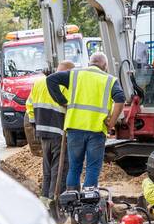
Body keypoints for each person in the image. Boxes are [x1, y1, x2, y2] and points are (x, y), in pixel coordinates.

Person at [46, 52, 125, 190]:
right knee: (92, 167)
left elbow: (51, 79)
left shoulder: (75, 74)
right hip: (96, 130)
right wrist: (112, 122)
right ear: (105, 66)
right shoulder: (110, 80)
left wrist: (62, 101)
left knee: (75, 166)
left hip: (74, 128)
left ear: (89, 63)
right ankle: (88, 201)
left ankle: (72, 198)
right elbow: (120, 99)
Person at [26, 60, 75, 201]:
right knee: (59, 170)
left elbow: (29, 106)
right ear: (68, 72)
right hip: (60, 133)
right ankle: (56, 203)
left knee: (47, 170)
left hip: (43, 132)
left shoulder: (39, 83)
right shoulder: (66, 85)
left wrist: (36, 125)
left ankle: (45, 200)